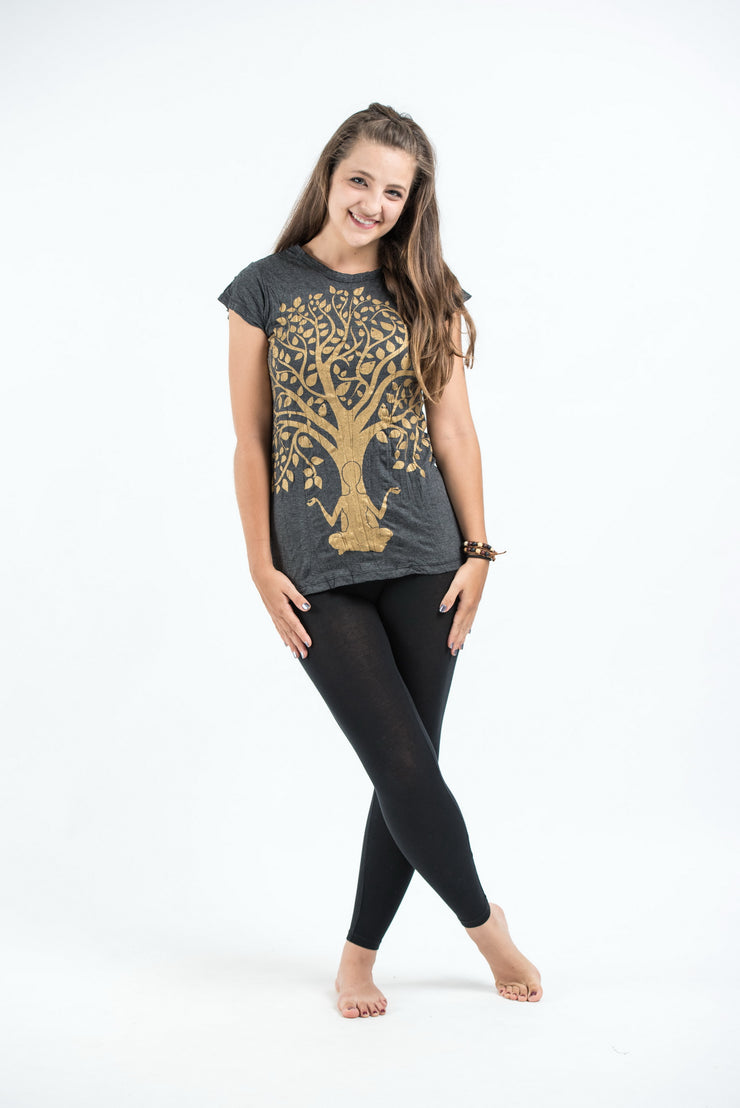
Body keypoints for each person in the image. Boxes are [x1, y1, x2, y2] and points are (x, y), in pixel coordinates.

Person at [217, 103, 542, 1018]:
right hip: (315, 569)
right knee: (401, 763)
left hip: (426, 558)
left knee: (408, 771)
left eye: (394, 192)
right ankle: (486, 926)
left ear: (411, 203)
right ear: (330, 174)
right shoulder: (263, 289)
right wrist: (259, 565)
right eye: (360, 179)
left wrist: (478, 552)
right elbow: (251, 441)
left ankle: (358, 957)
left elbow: (455, 429)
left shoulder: (424, 290)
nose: (373, 202)